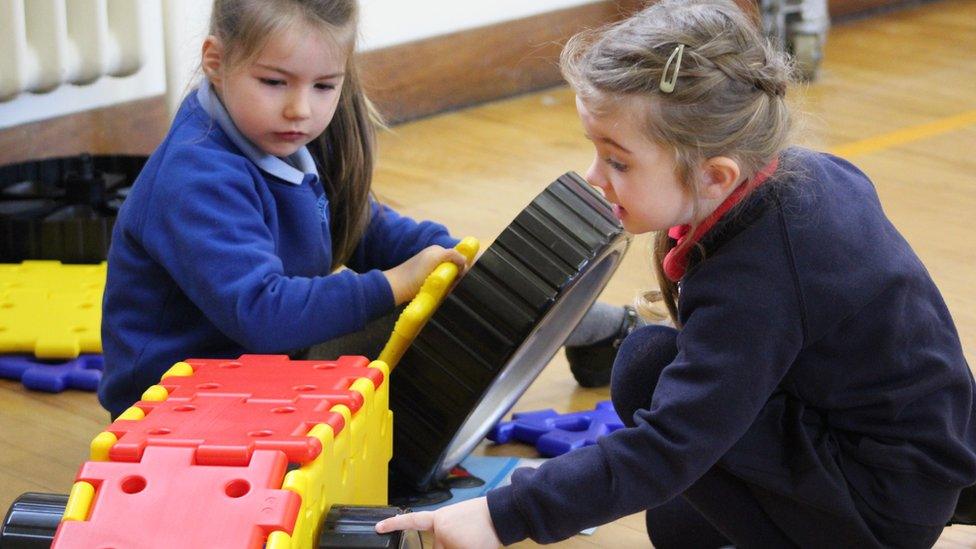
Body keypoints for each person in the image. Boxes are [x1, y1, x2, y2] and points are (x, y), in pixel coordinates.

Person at [375, 0, 976, 547]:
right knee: (675, 525)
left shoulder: (756, 279)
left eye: (617, 160)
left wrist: (501, 515)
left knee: (645, 367)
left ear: (714, 175)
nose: (593, 177)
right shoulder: (806, 174)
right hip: (914, 462)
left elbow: (674, 443)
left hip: (883, 505)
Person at [99, 0, 633, 419]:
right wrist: (398, 283)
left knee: (456, 296)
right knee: (443, 324)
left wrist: (442, 253)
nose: (300, 108)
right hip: (184, 396)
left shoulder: (281, 136)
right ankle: (606, 335)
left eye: (324, 86)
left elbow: (360, 225)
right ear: (216, 61)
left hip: (257, 363)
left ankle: (606, 336)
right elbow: (264, 314)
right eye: (273, 82)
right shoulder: (196, 175)